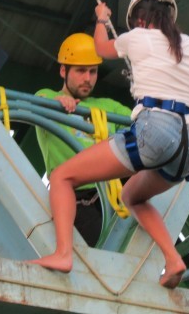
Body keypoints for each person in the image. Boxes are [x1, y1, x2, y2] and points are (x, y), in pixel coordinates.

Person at [30, 0, 189, 288]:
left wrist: (102, 19)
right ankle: (173, 260)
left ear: (139, 21)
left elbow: (101, 49)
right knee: (131, 195)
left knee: (63, 176)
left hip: (154, 128)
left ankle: (63, 253)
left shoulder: (137, 37)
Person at [35, 33, 132, 247]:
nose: (88, 78)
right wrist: (58, 101)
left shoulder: (109, 106)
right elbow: (39, 102)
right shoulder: (48, 96)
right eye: (80, 71)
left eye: (93, 71)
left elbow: (141, 125)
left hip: (112, 199)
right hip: (76, 200)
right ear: (63, 70)